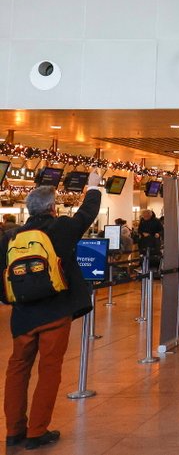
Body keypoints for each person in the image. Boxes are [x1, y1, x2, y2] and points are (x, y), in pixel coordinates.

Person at [2, 173, 103, 449]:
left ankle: (13, 431)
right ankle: (37, 431)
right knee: (49, 370)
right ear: (52, 208)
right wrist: (93, 186)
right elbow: (87, 213)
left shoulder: (11, 237)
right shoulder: (60, 228)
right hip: (55, 312)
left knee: (17, 369)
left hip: (23, 316)